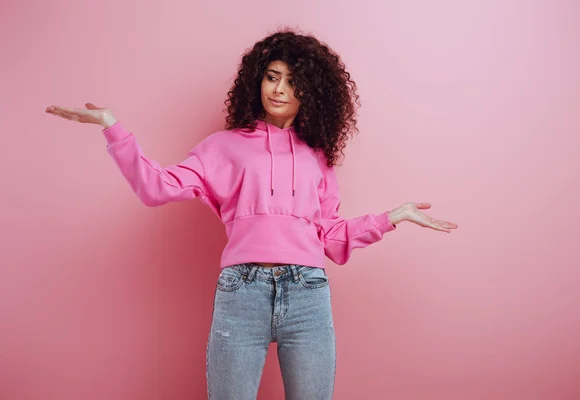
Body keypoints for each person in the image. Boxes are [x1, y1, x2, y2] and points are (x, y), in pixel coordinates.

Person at [46, 29, 457, 400]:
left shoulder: (318, 159)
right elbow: (157, 187)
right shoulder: (223, 146)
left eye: (293, 82)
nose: (279, 89)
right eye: (272, 76)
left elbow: (330, 236)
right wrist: (113, 128)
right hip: (243, 293)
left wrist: (392, 217)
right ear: (257, 78)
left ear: (311, 93)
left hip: (308, 294)